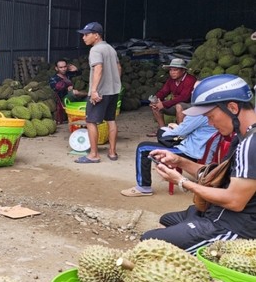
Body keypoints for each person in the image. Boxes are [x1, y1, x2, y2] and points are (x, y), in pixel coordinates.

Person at [143, 74, 256, 254]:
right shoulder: (242, 137)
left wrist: (182, 182)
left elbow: (235, 201)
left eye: (210, 116)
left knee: (148, 242)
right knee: (168, 219)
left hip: (233, 228)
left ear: (233, 107)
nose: (210, 123)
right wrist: (179, 160)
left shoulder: (251, 144)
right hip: (218, 213)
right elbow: (217, 175)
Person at [120, 113, 217, 197]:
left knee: (143, 147)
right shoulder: (214, 113)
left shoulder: (200, 114)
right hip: (198, 150)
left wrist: (166, 131)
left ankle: (143, 187)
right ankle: (162, 164)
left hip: (190, 152)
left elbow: (181, 131)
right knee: (162, 138)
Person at [73, 22, 122, 163]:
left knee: (90, 121)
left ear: (96, 35)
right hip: (113, 91)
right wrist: (115, 82)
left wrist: (94, 90)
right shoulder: (110, 49)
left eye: (86, 35)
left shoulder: (95, 50)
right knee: (111, 120)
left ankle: (94, 155)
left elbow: (98, 68)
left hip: (100, 92)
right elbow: (119, 67)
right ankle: (112, 152)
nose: (84, 38)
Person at [148, 57, 196, 135]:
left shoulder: (190, 80)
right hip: (176, 104)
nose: (172, 72)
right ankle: (162, 130)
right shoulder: (171, 80)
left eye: (175, 70)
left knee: (179, 106)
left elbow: (184, 97)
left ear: (183, 71)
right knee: (156, 106)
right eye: (171, 70)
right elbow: (163, 92)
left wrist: (164, 104)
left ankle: (180, 133)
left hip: (190, 105)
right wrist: (155, 99)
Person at [48, 59, 87, 124]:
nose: (63, 69)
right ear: (56, 68)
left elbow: (81, 74)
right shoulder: (53, 78)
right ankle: (85, 93)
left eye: (65, 67)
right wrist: (67, 86)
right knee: (73, 92)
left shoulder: (68, 74)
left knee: (88, 98)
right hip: (63, 100)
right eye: (61, 67)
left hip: (74, 97)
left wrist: (76, 69)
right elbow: (57, 87)